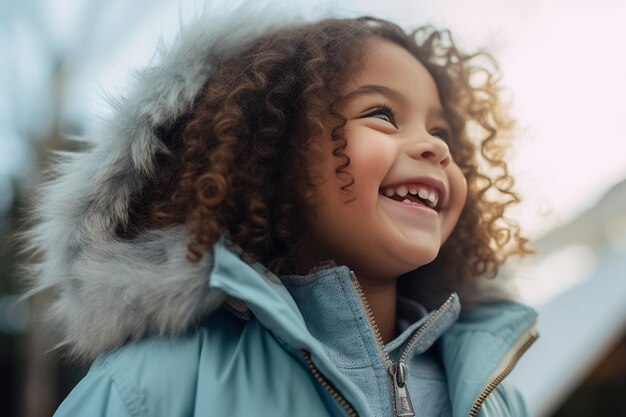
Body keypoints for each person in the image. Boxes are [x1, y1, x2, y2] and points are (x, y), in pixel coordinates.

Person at [26, 6, 538, 417]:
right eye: (382, 114)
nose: (435, 148)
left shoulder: (495, 395)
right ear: (278, 153)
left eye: (441, 132)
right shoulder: (155, 384)